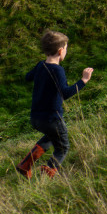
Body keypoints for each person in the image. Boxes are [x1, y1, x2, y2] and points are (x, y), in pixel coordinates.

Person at [15, 30, 93, 178]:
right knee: (63, 147)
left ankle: (25, 165)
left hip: (36, 117)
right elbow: (66, 93)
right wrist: (83, 80)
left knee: (51, 137)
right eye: (66, 48)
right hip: (52, 118)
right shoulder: (58, 70)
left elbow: (27, 77)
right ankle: (47, 173)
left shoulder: (40, 65)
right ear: (60, 51)